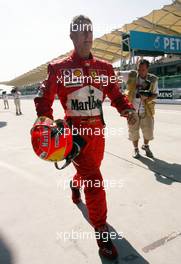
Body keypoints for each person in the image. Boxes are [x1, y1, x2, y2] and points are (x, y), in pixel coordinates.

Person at [34, 15, 137, 259]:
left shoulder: (105, 68)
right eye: (81, 31)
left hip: (98, 136)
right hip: (76, 137)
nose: (87, 35)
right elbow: (43, 100)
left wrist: (127, 110)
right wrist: (46, 124)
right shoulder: (58, 68)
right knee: (96, 181)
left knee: (90, 172)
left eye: (90, 31)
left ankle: (75, 182)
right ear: (72, 36)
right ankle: (101, 229)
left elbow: (115, 93)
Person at [125, 59, 158, 158]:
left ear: (147, 69)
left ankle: (146, 146)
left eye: (143, 69)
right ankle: (136, 149)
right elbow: (116, 73)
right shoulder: (131, 75)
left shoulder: (153, 79)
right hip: (133, 109)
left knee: (148, 130)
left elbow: (156, 94)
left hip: (147, 109)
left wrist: (147, 97)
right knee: (133, 130)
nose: (140, 71)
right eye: (139, 69)